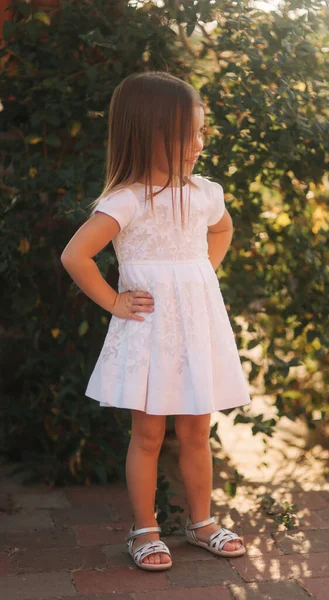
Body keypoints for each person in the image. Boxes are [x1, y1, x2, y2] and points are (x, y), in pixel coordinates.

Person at [61, 71, 250, 572]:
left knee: (196, 430)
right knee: (147, 435)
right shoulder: (127, 199)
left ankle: (202, 522)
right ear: (150, 133)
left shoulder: (206, 192)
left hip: (197, 327)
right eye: (190, 132)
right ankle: (144, 530)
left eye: (202, 130)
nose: (200, 143)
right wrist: (115, 303)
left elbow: (224, 228)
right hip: (151, 331)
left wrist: (200, 274)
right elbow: (76, 256)